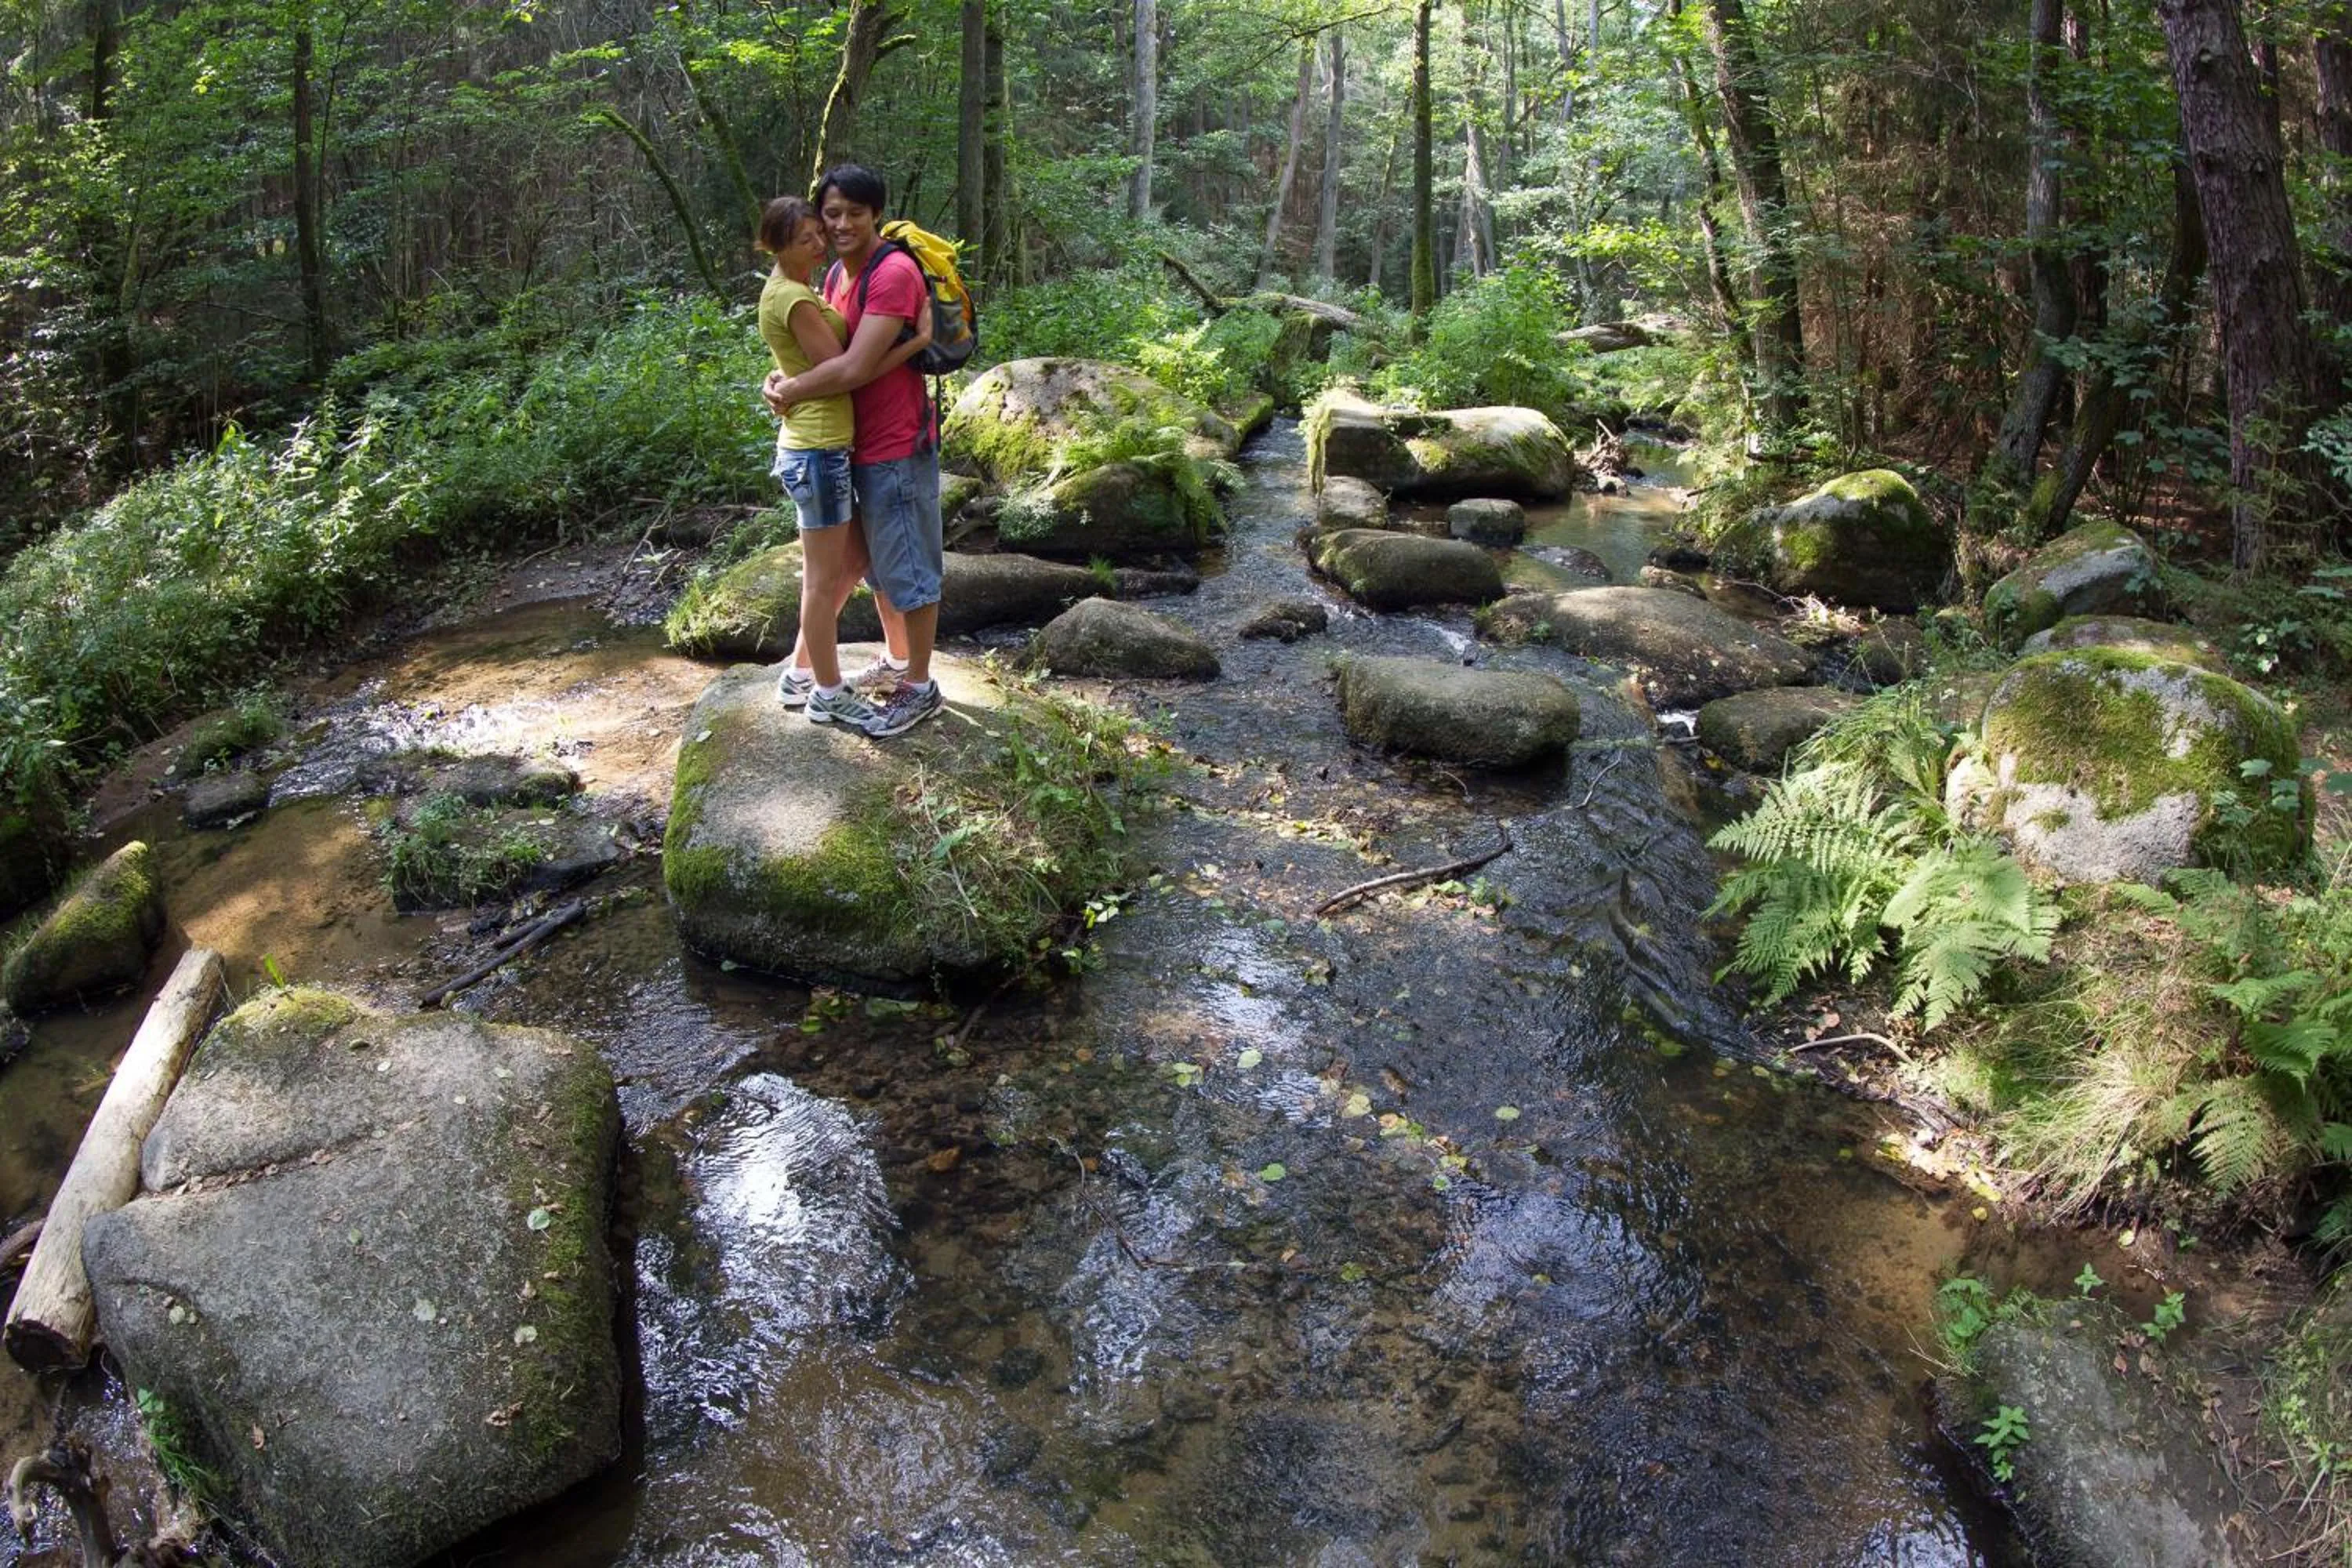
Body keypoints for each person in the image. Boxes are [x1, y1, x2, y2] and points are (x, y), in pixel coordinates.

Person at [763, 164, 946, 739]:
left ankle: (919, 687)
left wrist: (792, 389)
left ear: (876, 214)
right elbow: (818, 353)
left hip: (893, 441)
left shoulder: (890, 274)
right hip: (847, 442)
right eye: (831, 214)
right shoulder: (839, 274)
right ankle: (830, 668)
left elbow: (855, 367)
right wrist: (781, 377)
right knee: (853, 563)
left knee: (910, 565)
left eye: (854, 213)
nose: (840, 225)